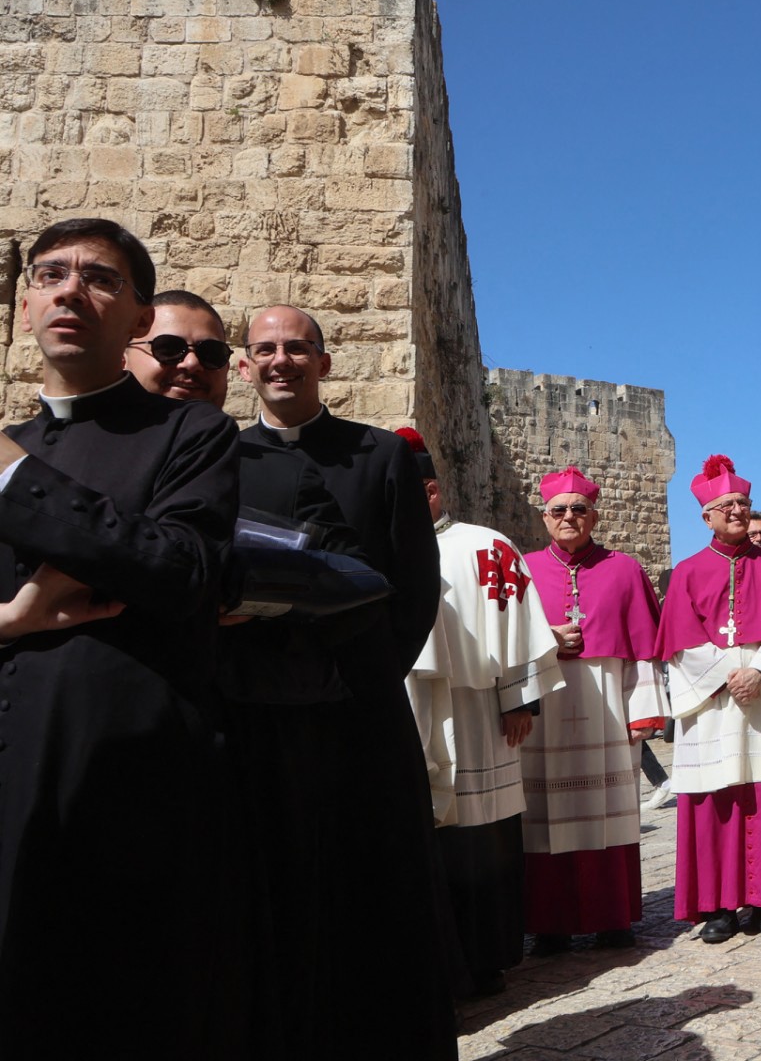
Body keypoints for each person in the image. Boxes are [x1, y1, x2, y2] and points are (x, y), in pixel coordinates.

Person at [0, 220, 238, 1059]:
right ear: (23, 300)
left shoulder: (189, 436)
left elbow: (176, 570)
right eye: (51, 273)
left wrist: (14, 477)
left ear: (138, 318)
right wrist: (9, 622)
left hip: (127, 791)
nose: (70, 290)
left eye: (99, 279)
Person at [126, 290, 382, 1055]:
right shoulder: (63, 457)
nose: (189, 367)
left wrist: (254, 598)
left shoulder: (273, 468)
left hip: (253, 732)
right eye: (170, 350)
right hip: (121, 726)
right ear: (132, 350)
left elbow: (357, 577)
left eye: (207, 354)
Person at [240, 303, 458, 1056]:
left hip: (363, 705)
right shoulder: (222, 459)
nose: (281, 361)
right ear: (245, 367)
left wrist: (366, 673)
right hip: (262, 709)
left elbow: (414, 585)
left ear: (325, 363)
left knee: (380, 884)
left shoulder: (380, 456)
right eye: (264, 349)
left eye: (297, 348)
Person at [404, 429, 563, 994]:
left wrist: (520, 697)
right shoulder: (379, 543)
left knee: (482, 838)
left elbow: (518, 624)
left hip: (476, 716)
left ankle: (485, 958)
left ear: (430, 490)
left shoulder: (485, 545)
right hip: (409, 712)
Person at [657, 455, 761, 943]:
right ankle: (720, 906)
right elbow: (679, 642)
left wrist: (760, 671)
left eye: (742, 503)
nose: (735, 510)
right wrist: (731, 675)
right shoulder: (687, 572)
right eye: (725, 505)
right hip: (713, 701)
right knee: (717, 799)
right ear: (705, 515)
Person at [518, 466, 668, 951]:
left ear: (594, 516)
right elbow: (507, 643)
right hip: (546, 705)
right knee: (545, 812)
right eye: (559, 510)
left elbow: (643, 647)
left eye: (578, 510)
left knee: (610, 811)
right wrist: (546, 640)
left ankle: (613, 916)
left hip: (608, 702)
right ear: (545, 518)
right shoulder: (523, 569)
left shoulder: (625, 569)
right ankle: (551, 924)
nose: (569, 518)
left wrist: (644, 711)